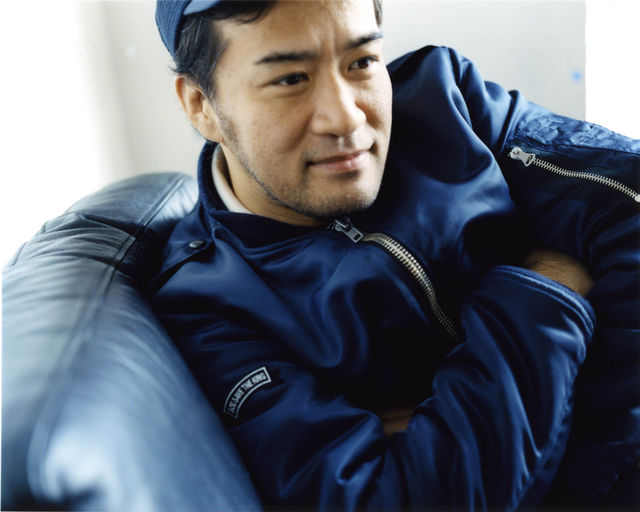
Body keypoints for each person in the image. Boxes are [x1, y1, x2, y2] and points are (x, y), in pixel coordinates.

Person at [151, 0, 639, 509]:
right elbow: (395, 500)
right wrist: (548, 285)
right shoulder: (208, 309)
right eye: (291, 79)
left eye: (361, 62)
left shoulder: (447, 102)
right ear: (200, 104)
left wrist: (480, 433)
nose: (346, 117)